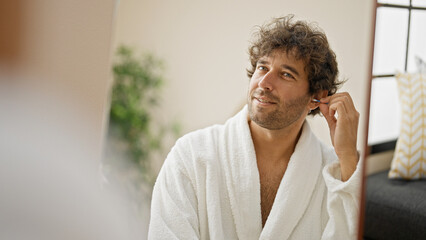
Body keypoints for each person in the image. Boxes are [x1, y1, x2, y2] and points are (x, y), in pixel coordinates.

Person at [148, 15, 361, 240]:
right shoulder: (191, 156)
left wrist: (347, 156)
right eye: (262, 67)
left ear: (316, 98)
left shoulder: (333, 173)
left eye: (286, 74)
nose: (264, 83)